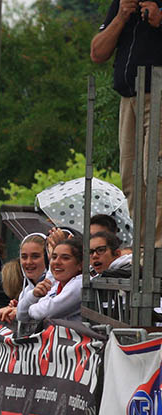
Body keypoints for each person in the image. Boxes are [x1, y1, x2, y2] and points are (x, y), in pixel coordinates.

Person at [91, 0, 162, 247]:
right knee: (131, 179)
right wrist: (121, 16)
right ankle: (141, 249)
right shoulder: (122, 4)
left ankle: (157, 249)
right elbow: (97, 52)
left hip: (158, 93)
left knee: (155, 174)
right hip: (128, 98)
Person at [21, 237, 84, 323]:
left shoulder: (80, 284)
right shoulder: (57, 284)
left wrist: (32, 307)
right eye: (54, 257)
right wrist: (33, 295)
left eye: (65, 258)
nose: (57, 262)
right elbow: (21, 316)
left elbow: (43, 313)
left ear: (81, 265)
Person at [0, 233, 51, 322]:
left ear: (47, 257)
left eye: (35, 256)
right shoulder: (25, 291)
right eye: (24, 257)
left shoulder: (56, 286)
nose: (28, 262)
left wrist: (19, 310)